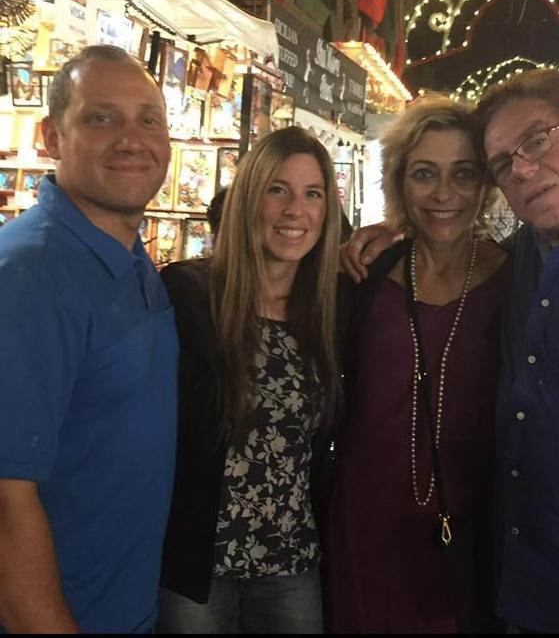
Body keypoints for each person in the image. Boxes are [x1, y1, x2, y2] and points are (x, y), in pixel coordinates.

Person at [343, 69, 559, 633]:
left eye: (538, 140)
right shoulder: (523, 254)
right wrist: (394, 231)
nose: (522, 169)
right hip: (519, 588)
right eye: (502, 163)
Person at [0, 44, 178, 633]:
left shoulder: (128, 258)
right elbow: (5, 504)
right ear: (52, 137)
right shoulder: (28, 275)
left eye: (149, 120)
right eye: (101, 118)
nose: (132, 140)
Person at [326, 96, 509, 633]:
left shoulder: (519, 281)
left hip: (469, 531)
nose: (444, 194)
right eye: (425, 174)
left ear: (486, 185)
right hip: (365, 518)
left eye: (464, 174)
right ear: (399, 183)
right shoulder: (364, 273)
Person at [156, 126, 341, 634]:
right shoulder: (189, 295)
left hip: (290, 558)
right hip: (198, 563)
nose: (295, 210)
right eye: (277, 190)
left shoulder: (329, 310)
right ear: (248, 200)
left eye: (312, 194)